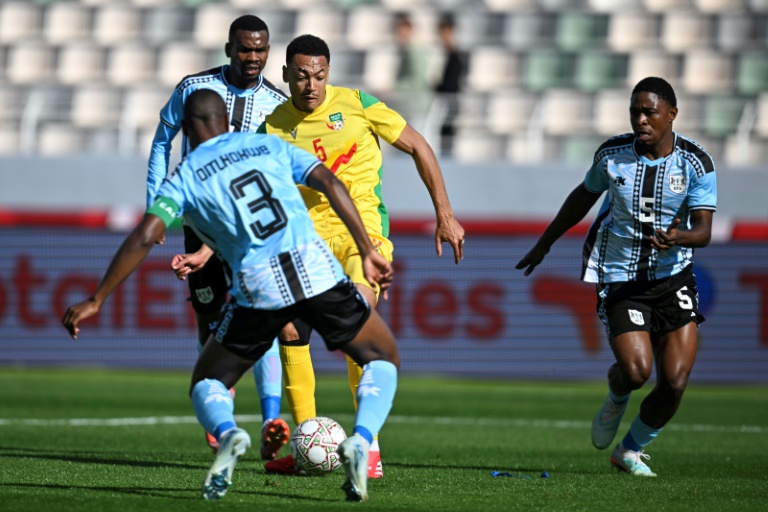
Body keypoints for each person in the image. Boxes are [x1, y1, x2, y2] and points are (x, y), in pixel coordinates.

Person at [63, 89, 399, 503]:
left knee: (207, 380)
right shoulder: (267, 145)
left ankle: (228, 434)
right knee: (381, 355)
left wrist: (97, 298)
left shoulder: (185, 175)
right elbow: (329, 181)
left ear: (187, 129)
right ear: (227, 120)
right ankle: (362, 440)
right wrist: (366, 248)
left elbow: (146, 235)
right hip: (314, 268)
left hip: (259, 284)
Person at [172, 33, 465, 479]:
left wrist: (444, 214)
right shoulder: (272, 126)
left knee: (358, 321)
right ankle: (308, 441)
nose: (311, 85)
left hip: (361, 237)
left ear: (329, 73)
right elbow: (253, 200)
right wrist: (207, 252)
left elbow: (420, 146)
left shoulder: (359, 105)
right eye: (302, 76)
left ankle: (369, 449)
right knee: (289, 328)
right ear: (286, 74)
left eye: (320, 76)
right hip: (303, 247)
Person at [516, 77, 716, 477]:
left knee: (675, 382)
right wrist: (545, 243)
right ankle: (616, 394)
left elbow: (704, 231)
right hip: (620, 276)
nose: (640, 120)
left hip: (674, 277)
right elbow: (583, 196)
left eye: (649, 112)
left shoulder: (696, 163)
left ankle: (630, 450)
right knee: (637, 372)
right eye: (634, 112)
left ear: (671, 115)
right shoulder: (612, 154)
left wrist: (679, 237)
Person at [147, 14, 290, 457]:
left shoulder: (277, 103)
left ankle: (270, 419)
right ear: (229, 49)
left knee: (265, 316)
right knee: (209, 320)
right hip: (200, 224)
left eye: (260, 50)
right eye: (245, 48)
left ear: (269, 52)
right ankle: (220, 412)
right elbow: (162, 141)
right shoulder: (194, 87)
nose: (253, 57)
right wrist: (156, 205)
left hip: (250, 231)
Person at [433, 14, 467, 156]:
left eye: (447, 33)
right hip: (445, 103)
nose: (444, 37)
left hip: (450, 103)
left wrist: (437, 87)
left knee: (447, 134)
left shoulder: (456, 57)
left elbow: (451, 84)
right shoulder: (445, 56)